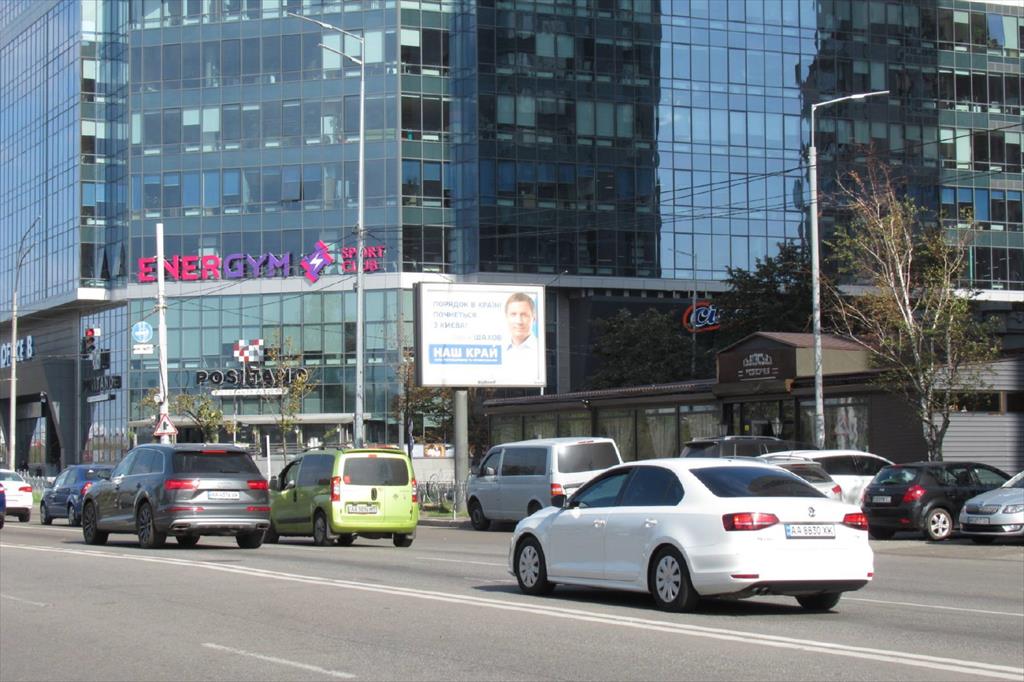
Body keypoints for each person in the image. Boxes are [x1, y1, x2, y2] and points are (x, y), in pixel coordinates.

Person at [502, 292, 540, 380]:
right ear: (506, 317)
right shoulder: (497, 350)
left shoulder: (541, 350)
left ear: (534, 318)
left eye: (524, 315)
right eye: (513, 314)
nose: (519, 321)